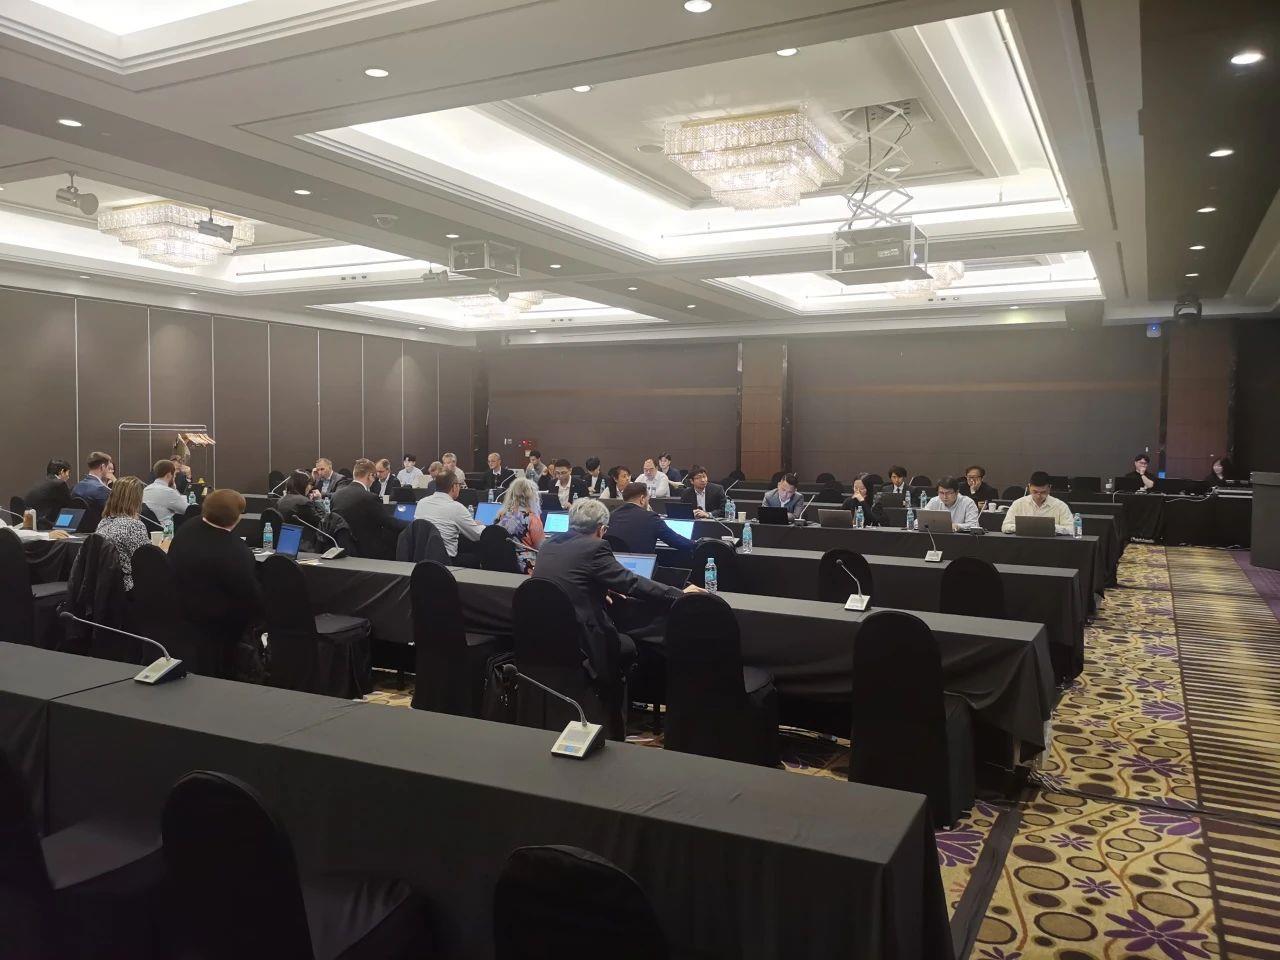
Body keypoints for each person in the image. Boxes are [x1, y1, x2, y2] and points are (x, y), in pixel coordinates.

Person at [532, 498, 701, 686]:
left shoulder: (548, 545)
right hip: (584, 638)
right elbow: (632, 583)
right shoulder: (595, 547)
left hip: (545, 636)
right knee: (649, 633)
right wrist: (680, 594)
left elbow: (571, 579)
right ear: (601, 529)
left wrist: (598, 586)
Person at [169, 489, 264, 679]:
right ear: (236, 518)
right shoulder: (236, 551)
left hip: (181, 615)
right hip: (220, 627)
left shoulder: (187, 528)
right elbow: (250, 598)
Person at [330, 458, 407, 559]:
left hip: (342, 549)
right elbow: (388, 522)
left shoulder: (336, 496)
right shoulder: (369, 497)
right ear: (370, 476)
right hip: (367, 551)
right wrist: (412, 524)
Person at [413, 469, 485, 562]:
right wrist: (482, 526)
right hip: (445, 560)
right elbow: (477, 535)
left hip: (421, 558)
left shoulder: (421, 502)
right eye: (459, 485)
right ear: (454, 487)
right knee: (476, 557)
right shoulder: (456, 507)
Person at [607, 482, 697, 554]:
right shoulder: (650, 517)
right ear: (642, 499)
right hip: (642, 566)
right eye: (648, 499)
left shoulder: (611, 516)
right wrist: (696, 543)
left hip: (613, 566)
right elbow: (676, 541)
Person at [95, 476, 149, 592]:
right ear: (135, 500)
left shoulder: (103, 522)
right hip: (128, 588)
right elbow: (146, 561)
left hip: (105, 587)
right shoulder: (134, 525)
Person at [495, 478, 545, 574]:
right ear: (532, 496)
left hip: (503, 563)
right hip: (526, 566)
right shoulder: (532, 518)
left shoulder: (501, 515)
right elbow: (541, 548)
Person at [1002, 471, 1075, 535]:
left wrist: (1052, 528)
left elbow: (1071, 529)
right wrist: (1024, 527)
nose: (1038, 496)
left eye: (1043, 492)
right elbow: (1005, 527)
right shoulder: (1018, 504)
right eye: (1035, 492)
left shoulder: (1060, 506)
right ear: (1029, 487)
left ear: (1049, 488)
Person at [275, 471, 326, 550]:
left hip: (284, 544)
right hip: (304, 546)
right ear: (302, 485)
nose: (310, 487)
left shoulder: (280, 500)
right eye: (309, 484)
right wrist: (318, 500)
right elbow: (321, 521)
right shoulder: (304, 502)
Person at [24, 459, 72, 527]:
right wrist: (64, 528)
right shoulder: (60, 484)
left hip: (29, 523)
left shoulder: (39, 483)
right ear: (61, 471)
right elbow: (69, 507)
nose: (68, 476)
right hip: (45, 526)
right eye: (68, 472)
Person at [143, 459, 190, 526]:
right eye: (174, 474)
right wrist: (174, 489)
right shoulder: (168, 492)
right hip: (166, 529)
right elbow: (187, 510)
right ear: (169, 475)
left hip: (151, 528)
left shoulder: (146, 489)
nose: (175, 477)